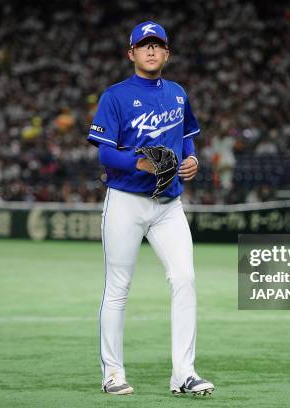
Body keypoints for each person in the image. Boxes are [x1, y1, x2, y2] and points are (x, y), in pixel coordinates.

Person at [88, 21, 214, 396]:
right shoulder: (115, 96)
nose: (151, 50)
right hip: (125, 201)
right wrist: (138, 163)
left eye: (157, 45)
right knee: (118, 288)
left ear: (167, 53)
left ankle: (184, 374)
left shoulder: (177, 93)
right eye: (144, 45)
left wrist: (191, 161)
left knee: (185, 279)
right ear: (132, 53)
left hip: (169, 205)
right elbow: (106, 151)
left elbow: (187, 140)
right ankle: (113, 374)